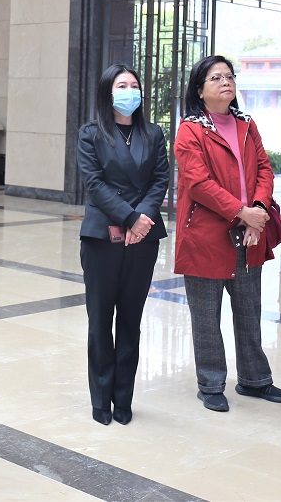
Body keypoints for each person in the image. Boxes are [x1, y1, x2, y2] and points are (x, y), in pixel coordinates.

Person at [173, 55, 281, 413]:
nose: (225, 82)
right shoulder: (189, 130)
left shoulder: (246, 124)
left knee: (249, 311)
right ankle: (210, 384)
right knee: (206, 317)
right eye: (216, 78)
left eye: (229, 76)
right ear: (199, 90)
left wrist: (257, 211)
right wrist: (242, 212)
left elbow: (264, 169)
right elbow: (199, 183)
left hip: (248, 234)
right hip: (205, 236)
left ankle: (255, 380)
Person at [77, 64, 169, 426]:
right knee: (100, 321)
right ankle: (101, 399)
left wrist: (142, 219)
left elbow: (160, 179)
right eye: (121, 85)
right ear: (107, 92)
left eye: (134, 85)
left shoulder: (153, 133)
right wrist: (130, 217)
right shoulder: (91, 134)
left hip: (143, 238)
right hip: (102, 237)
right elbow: (94, 184)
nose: (129, 91)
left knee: (131, 321)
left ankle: (123, 398)